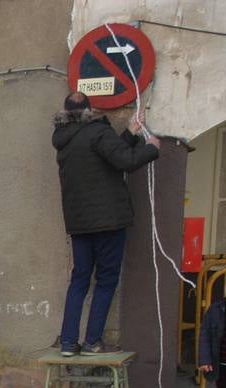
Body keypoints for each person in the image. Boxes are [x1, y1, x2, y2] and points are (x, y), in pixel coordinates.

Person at [53, 92, 161, 356]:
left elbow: (103, 156)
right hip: (108, 220)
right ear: (90, 109)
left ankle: (68, 342)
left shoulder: (63, 138)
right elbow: (123, 160)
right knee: (106, 280)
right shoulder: (98, 131)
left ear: (66, 112)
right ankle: (92, 342)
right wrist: (151, 149)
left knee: (79, 280)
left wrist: (129, 133)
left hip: (79, 223)